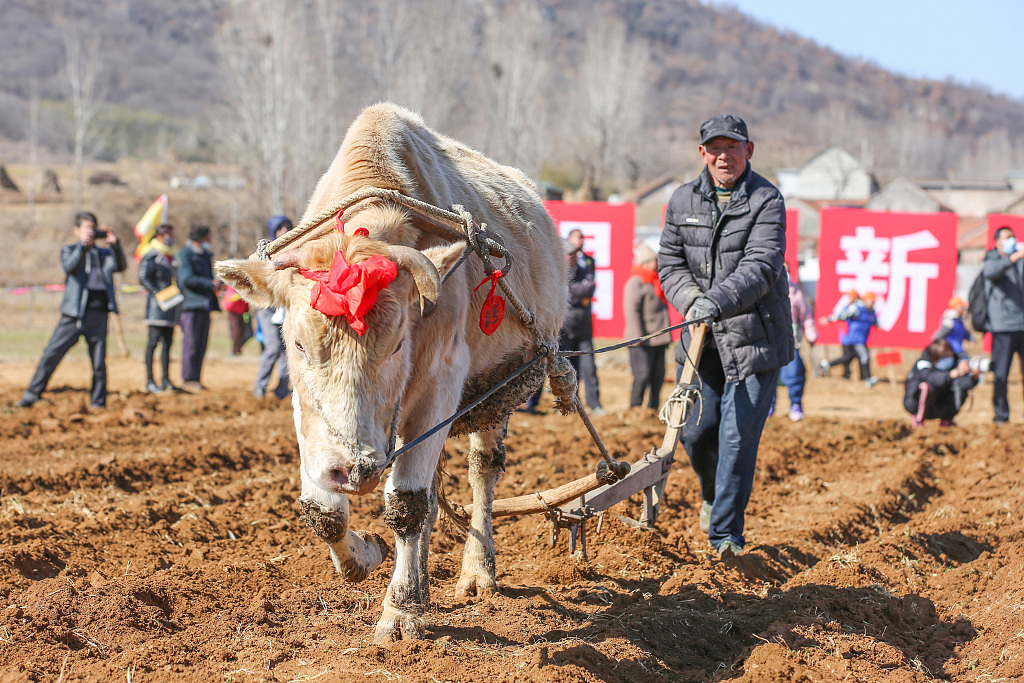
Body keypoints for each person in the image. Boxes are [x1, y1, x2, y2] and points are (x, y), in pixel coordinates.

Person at [658, 113, 793, 558]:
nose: (723, 156)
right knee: (698, 434)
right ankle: (712, 495)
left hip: (756, 339)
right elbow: (669, 264)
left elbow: (762, 265)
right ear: (702, 154)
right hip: (701, 341)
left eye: (732, 147)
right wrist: (693, 299)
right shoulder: (681, 201)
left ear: (748, 151)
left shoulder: (766, 200)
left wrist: (714, 301)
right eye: (715, 149)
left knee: (737, 440)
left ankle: (725, 537)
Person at [19, 211, 126, 408]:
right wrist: (82, 247)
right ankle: (31, 394)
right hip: (74, 313)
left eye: (94, 229)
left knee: (99, 362)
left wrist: (116, 246)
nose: (91, 233)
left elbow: (119, 267)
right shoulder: (69, 250)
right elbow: (70, 267)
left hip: (99, 313)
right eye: (87, 228)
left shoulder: (104, 254)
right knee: (52, 354)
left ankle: (98, 402)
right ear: (77, 230)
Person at [982, 226, 1024, 423]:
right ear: (997, 242)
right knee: (1001, 375)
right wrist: (1013, 258)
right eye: (1007, 238)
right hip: (1003, 328)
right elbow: (991, 272)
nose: (1012, 240)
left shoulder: (1020, 261)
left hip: (1022, 326)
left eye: (1013, 237)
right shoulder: (992, 259)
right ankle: (1001, 415)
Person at [562, 228, 604, 415]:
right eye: (570, 252)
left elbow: (590, 287)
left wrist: (572, 292)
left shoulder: (587, 263)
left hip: (584, 325)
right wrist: (577, 292)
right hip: (564, 325)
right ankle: (568, 404)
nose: (573, 255)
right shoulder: (557, 269)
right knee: (566, 367)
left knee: (589, 367)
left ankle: (594, 404)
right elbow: (566, 291)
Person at [623, 242, 670, 409]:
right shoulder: (636, 282)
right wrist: (638, 336)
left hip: (658, 338)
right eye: (652, 261)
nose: (656, 263)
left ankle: (652, 409)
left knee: (658, 377)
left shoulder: (656, 281)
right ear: (644, 262)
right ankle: (635, 409)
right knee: (642, 376)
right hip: (642, 339)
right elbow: (631, 310)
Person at [138, 223, 181, 393]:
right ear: (159, 236)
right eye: (167, 235)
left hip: (171, 306)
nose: (170, 238)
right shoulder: (151, 255)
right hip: (157, 307)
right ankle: (150, 380)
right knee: (153, 343)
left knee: (168, 343)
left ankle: (166, 380)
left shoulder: (170, 256)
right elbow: (143, 277)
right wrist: (158, 293)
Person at [254, 215, 293, 399]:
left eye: (287, 228)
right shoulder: (264, 252)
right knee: (273, 348)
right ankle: (260, 386)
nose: (284, 232)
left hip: (286, 307)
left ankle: (282, 388)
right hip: (268, 308)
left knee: (287, 349)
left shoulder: (295, 250)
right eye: (280, 229)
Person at [178, 224, 220, 391]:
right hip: (191, 305)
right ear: (200, 239)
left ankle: (196, 378)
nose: (209, 242)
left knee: (201, 344)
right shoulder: (185, 254)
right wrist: (210, 284)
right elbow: (186, 278)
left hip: (204, 305)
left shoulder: (204, 255)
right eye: (208, 238)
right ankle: (188, 379)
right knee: (191, 344)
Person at [904, 339, 979, 427]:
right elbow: (932, 379)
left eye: (949, 355)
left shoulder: (956, 362)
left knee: (960, 387)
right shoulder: (923, 364)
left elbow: (964, 384)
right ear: (935, 356)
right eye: (944, 356)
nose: (948, 359)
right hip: (917, 403)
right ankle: (919, 420)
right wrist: (952, 374)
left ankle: (947, 419)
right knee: (926, 386)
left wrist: (973, 377)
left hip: (942, 404)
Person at [776, 275, 817, 421]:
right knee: (768, 377)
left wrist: (811, 336)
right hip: (768, 341)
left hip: (790, 341)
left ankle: (795, 404)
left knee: (795, 373)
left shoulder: (795, 293)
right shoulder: (764, 287)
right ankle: (768, 407)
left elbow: (806, 317)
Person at [819, 291, 879, 386]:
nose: (873, 303)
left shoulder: (871, 312)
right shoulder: (856, 309)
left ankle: (828, 364)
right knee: (864, 356)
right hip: (855, 339)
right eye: (871, 301)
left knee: (849, 357)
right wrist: (828, 319)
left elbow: (875, 323)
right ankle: (867, 378)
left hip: (862, 339)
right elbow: (842, 316)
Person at [932, 296, 972, 360]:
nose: (963, 309)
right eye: (962, 307)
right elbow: (937, 336)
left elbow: (963, 332)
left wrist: (971, 338)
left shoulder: (960, 319)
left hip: (958, 350)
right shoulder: (949, 320)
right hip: (950, 353)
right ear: (956, 307)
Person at [222, 284, 252, 356]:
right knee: (237, 331)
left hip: (243, 310)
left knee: (248, 333)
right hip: (233, 309)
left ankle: (237, 349)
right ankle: (235, 351)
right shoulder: (234, 281)